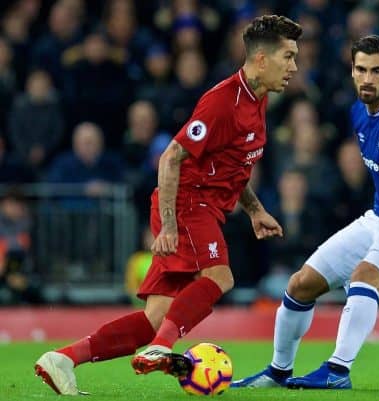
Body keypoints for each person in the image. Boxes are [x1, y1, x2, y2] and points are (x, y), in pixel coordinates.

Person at [34, 15, 302, 395]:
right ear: (261, 59)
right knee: (220, 277)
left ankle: (63, 358)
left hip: (200, 205)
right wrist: (171, 225)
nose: (294, 67)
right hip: (189, 203)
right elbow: (171, 157)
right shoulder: (223, 100)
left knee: (156, 317)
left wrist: (255, 210)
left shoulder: (257, 102)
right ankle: (163, 347)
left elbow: (233, 168)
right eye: (288, 56)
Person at [233, 35, 379, 390]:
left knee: (363, 276)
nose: (367, 78)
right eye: (360, 70)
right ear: (352, 71)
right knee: (300, 284)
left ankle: (338, 370)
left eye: (376, 71)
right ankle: (279, 371)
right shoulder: (358, 111)